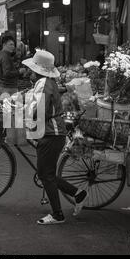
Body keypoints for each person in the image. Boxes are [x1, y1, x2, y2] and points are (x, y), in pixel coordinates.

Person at [22, 50, 88, 225]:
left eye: (31, 69)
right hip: (52, 132)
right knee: (47, 173)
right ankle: (78, 193)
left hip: (52, 132)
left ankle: (58, 214)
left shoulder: (43, 82)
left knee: (45, 174)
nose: (29, 72)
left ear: (37, 70)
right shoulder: (46, 82)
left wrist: (25, 115)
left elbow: (39, 108)